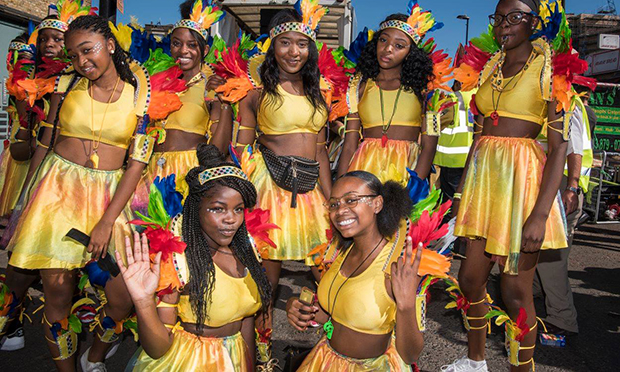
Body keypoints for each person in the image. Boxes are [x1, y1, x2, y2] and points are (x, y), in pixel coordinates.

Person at [1, 12, 152, 371]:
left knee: (122, 298)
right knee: (57, 292)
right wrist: (24, 202)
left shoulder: (143, 97)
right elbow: (44, 146)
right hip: (58, 194)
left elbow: (136, 164)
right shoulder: (63, 85)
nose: (82, 61)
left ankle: (94, 356)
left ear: (110, 46)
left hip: (113, 198)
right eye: (74, 55)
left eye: (89, 50)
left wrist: (105, 222)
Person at [443, 0, 588, 370]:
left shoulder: (552, 69)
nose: (503, 25)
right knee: (470, 280)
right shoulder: (489, 64)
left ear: (535, 22)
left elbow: (557, 150)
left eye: (514, 17)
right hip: (483, 182)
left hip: (521, 183)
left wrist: (540, 215)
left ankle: (521, 368)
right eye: (498, 18)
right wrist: (461, 194)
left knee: (515, 289)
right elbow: (479, 137)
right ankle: (475, 361)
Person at [233, 4, 332, 361]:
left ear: (311, 48)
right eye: (285, 43)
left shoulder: (321, 90)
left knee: (330, 274)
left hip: (310, 191)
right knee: (265, 281)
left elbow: (320, 151)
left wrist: (332, 199)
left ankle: (334, 347)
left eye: (302, 44)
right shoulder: (256, 91)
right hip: (268, 189)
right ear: (272, 47)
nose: (294, 52)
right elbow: (241, 147)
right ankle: (260, 356)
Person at [121, 143, 272, 372]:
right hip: (191, 363)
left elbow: (246, 322)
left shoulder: (247, 250)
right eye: (218, 209)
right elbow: (157, 349)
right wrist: (143, 303)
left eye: (238, 209)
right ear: (195, 209)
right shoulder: (179, 261)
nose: (231, 219)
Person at [286, 171, 423, 371]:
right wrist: (300, 309)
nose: (340, 210)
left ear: (377, 204)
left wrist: (406, 307)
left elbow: (411, 355)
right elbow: (337, 316)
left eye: (351, 200)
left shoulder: (398, 265)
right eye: (334, 204)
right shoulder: (338, 252)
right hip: (324, 360)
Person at [131, 0, 232, 217]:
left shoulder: (211, 85)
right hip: (150, 172)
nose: (183, 51)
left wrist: (224, 103)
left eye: (192, 45)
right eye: (177, 43)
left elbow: (219, 148)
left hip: (189, 175)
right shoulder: (155, 81)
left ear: (204, 49)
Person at [337, 2, 446, 185]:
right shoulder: (358, 85)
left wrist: (415, 186)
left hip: (407, 172)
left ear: (411, 52)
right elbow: (349, 145)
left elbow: (429, 146)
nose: (388, 49)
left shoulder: (426, 89)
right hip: (364, 171)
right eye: (383, 40)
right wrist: (340, 185)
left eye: (399, 45)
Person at [533, 83, 595, 337]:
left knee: (552, 255)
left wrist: (572, 187)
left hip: (563, 183)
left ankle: (562, 317)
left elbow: (574, 147)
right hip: (554, 181)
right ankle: (536, 290)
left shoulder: (566, 100)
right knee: (538, 243)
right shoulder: (557, 97)